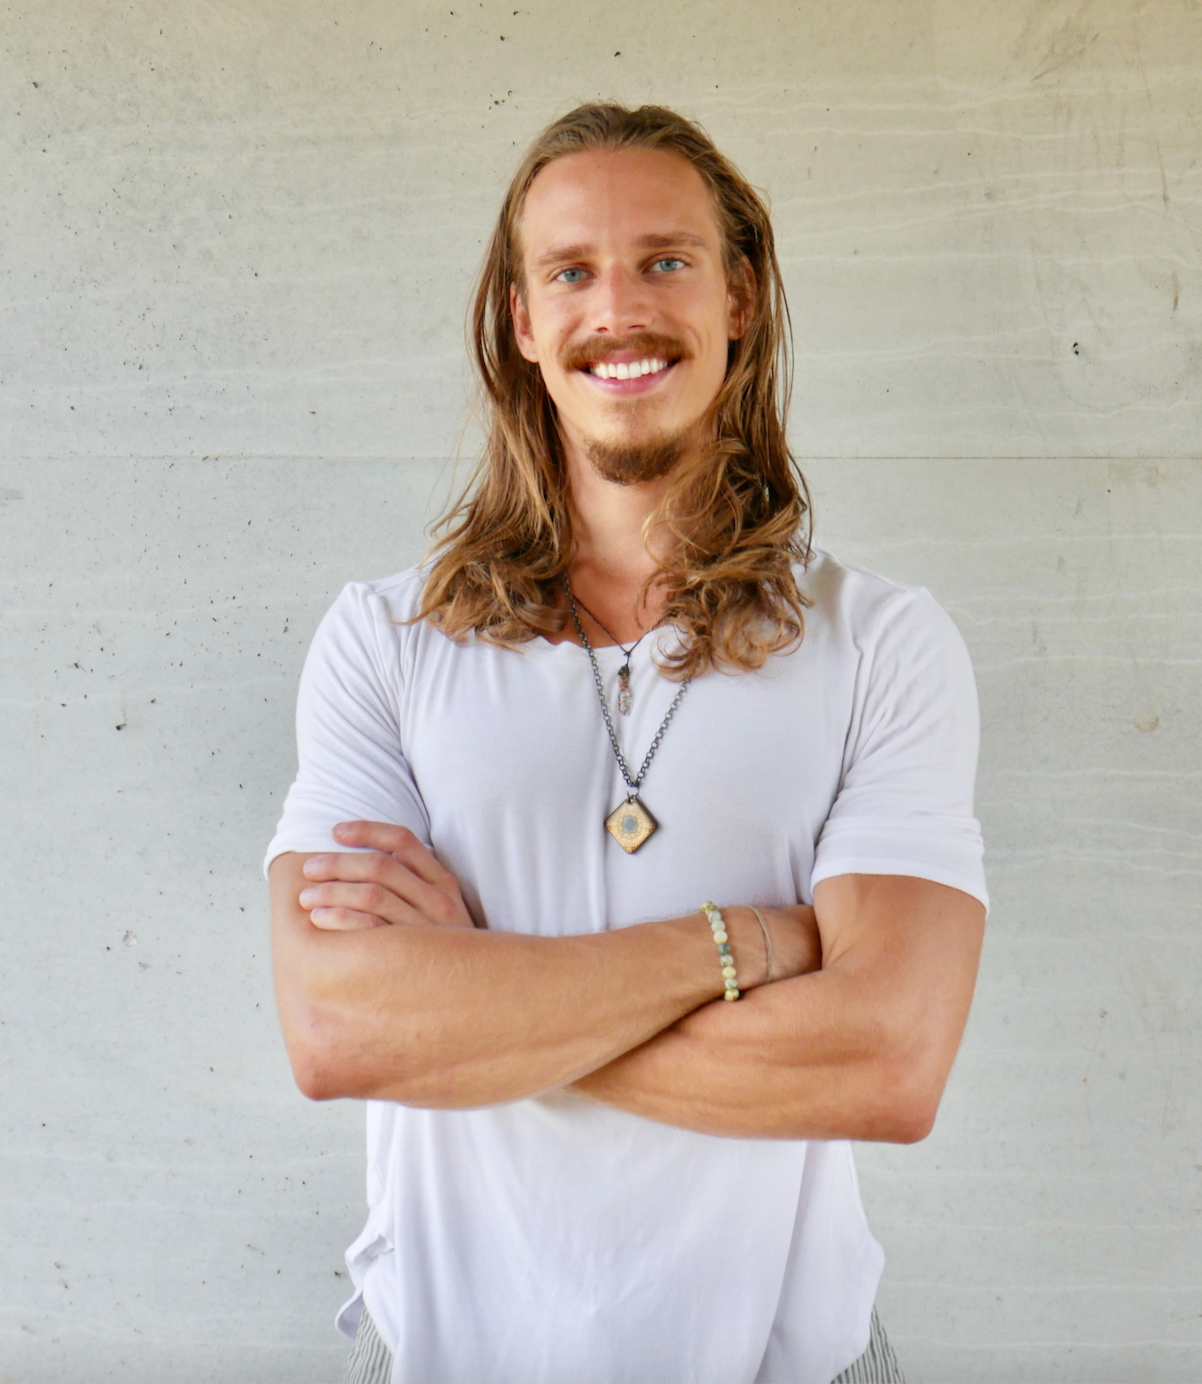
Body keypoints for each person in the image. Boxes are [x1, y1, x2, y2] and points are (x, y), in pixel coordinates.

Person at [266, 102, 987, 1384]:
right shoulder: (383, 638)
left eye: (664, 260)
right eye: (570, 272)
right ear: (519, 320)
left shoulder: (882, 643)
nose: (619, 310)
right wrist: (748, 944)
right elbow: (337, 1033)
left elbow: (886, 1063)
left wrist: (476, 1001)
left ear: (738, 299)